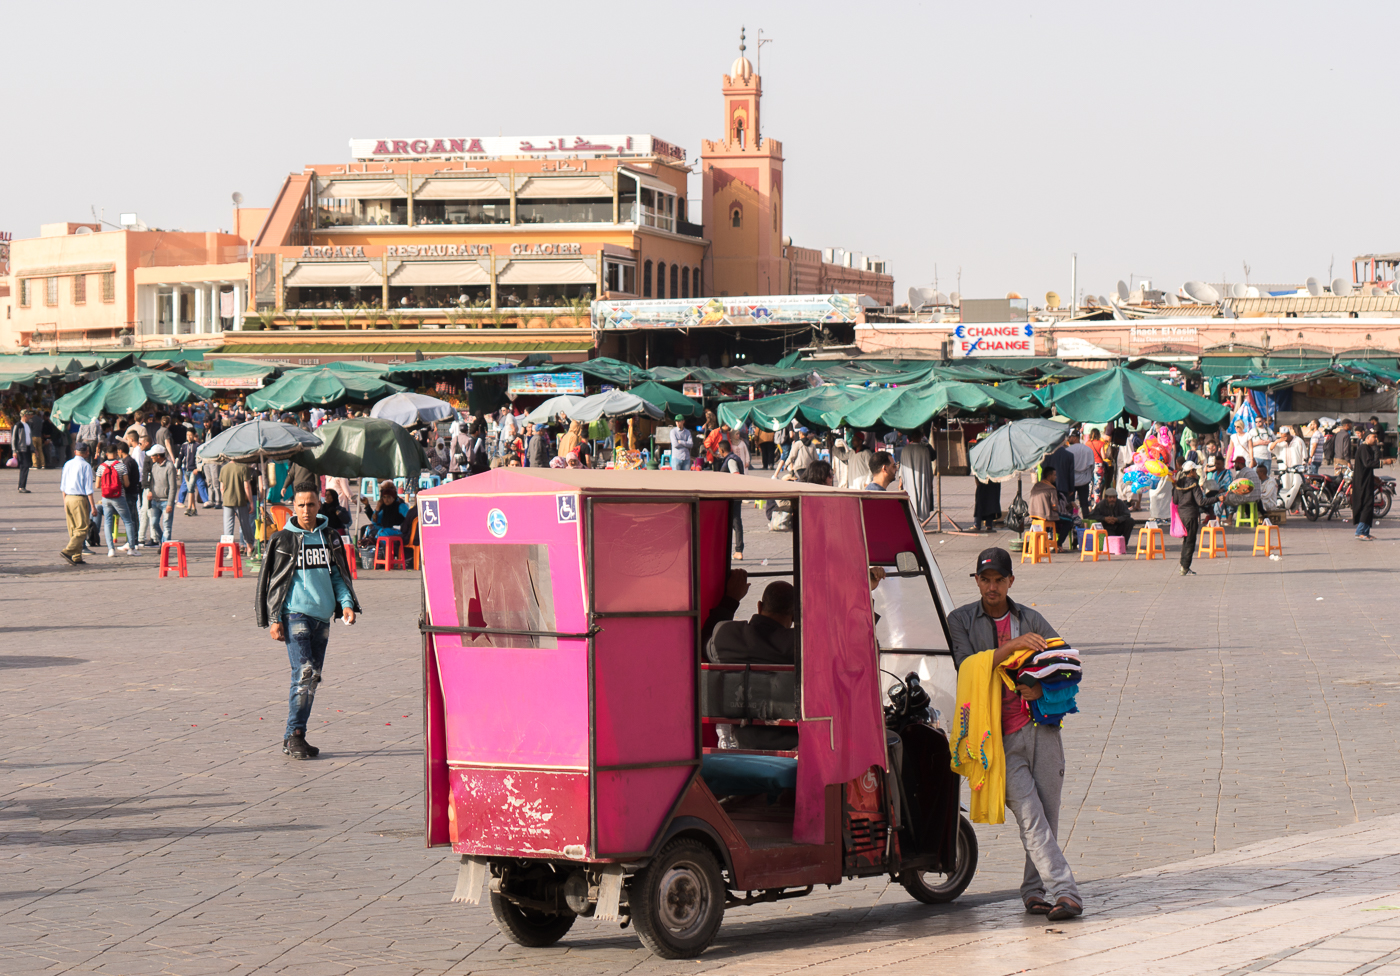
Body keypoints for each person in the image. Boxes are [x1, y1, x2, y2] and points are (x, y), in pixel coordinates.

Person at [947, 547, 1081, 921]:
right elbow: (965, 667)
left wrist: (1043, 688)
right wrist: (1012, 647)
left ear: (1010, 581)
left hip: (1042, 730)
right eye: (985, 580)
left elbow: (1065, 662)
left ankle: (1033, 890)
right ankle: (1066, 892)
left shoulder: (1030, 617)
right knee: (1030, 817)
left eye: (999, 580)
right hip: (996, 738)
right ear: (976, 580)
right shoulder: (960, 620)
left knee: (1047, 817)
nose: (992, 587)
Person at [255, 484, 361, 760]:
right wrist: (275, 619)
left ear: (318, 506)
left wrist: (346, 603)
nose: (306, 510)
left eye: (311, 505)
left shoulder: (329, 537)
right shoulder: (283, 539)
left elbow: (338, 575)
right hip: (295, 615)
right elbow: (273, 584)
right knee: (304, 673)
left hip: (322, 617)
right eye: (301, 505)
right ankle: (294, 735)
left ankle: (296, 733)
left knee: (311, 679)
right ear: (293, 507)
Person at [703, 572, 797, 750]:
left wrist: (730, 599)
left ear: (759, 606)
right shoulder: (799, 645)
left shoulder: (726, 635)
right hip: (792, 745)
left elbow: (702, 641)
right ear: (794, 616)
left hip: (741, 742)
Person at [1172, 462, 1215, 576]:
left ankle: (1183, 565)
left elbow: (1175, 500)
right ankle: (1185, 567)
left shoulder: (1178, 483)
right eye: (1195, 471)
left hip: (1182, 515)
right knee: (1190, 541)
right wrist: (1217, 498)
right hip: (1191, 515)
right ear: (1191, 472)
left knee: (1186, 541)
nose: (1196, 473)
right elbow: (1200, 502)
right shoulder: (1194, 484)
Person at [59, 443, 98, 565]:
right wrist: (93, 506)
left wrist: (65, 502)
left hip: (68, 498)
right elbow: (88, 489)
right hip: (79, 498)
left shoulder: (67, 464)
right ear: (86, 453)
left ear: (75, 452)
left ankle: (77, 556)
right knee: (82, 528)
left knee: (72, 528)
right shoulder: (86, 466)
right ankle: (68, 551)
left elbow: (63, 486)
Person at [97, 442, 138, 556]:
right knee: (128, 521)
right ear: (116, 453)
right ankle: (131, 548)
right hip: (119, 497)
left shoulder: (101, 467)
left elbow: (97, 485)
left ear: (106, 454)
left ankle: (111, 549)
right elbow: (127, 483)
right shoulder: (121, 465)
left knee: (108, 522)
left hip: (106, 498)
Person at [714, 441, 745, 560]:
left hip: (733, 497)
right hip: (734, 496)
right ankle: (735, 549)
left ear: (721, 450)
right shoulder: (732, 458)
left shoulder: (731, 460)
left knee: (735, 522)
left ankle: (738, 550)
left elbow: (735, 475)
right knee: (734, 522)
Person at [220, 458, 258, 556]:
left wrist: (225, 498)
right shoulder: (243, 468)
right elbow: (246, 486)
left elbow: (222, 488)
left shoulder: (224, 468)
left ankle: (230, 550)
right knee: (245, 524)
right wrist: (251, 502)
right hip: (240, 500)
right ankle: (249, 546)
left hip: (227, 501)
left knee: (228, 525)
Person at [143, 444, 178, 544]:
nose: (151, 457)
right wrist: (150, 491)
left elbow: (173, 487)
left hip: (165, 500)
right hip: (155, 500)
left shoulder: (169, 467)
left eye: (153, 455)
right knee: (154, 523)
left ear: (158, 456)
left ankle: (164, 548)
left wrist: (170, 503)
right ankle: (163, 542)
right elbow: (152, 482)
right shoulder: (154, 466)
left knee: (167, 525)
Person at [1029, 468, 1071, 550]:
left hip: (1033, 514)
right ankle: (1059, 544)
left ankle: (1045, 542)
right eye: (1054, 475)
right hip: (1046, 515)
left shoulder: (1036, 486)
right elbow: (1054, 507)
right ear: (1049, 476)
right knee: (1069, 520)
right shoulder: (1051, 488)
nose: (1056, 477)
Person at [1352, 428, 1381, 541]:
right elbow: (1367, 463)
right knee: (1366, 505)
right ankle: (1359, 531)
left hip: (1366, 481)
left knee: (1369, 505)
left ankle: (1366, 532)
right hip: (1361, 483)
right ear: (1368, 438)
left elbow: (1366, 468)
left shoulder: (1367, 448)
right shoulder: (1363, 448)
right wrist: (1383, 462)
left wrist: (1374, 478)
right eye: (1374, 437)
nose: (1376, 439)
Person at [1065, 431, 1095, 517]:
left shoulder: (1068, 450)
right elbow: (1091, 466)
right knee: (1084, 503)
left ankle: (1070, 520)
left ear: (1075, 438)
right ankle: (1086, 521)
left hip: (1071, 481)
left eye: (1070, 437)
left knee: (1070, 503)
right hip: (1084, 480)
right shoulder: (1087, 450)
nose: (1068, 439)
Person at [12, 409, 37, 493]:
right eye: (29, 415)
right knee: (24, 466)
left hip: (28, 449)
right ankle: (21, 486)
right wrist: (14, 450)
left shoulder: (28, 425)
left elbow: (29, 438)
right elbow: (14, 439)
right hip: (21, 449)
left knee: (26, 466)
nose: (30, 416)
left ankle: (22, 486)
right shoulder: (18, 425)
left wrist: (33, 449)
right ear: (25, 416)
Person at [180, 430, 203, 515]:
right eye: (187, 435)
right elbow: (180, 456)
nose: (189, 437)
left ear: (194, 435)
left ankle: (189, 508)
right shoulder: (184, 445)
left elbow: (201, 458)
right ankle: (194, 508)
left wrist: (198, 468)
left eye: (190, 435)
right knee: (191, 489)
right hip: (185, 470)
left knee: (190, 488)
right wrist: (177, 467)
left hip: (193, 470)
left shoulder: (197, 446)